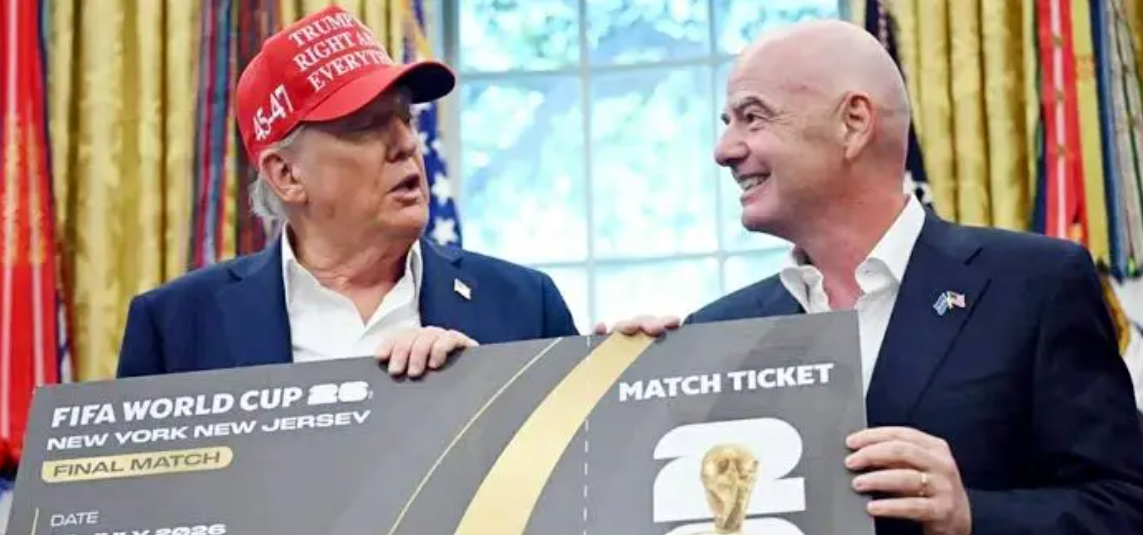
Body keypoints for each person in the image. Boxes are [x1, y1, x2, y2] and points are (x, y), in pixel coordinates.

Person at [603, 19, 1143, 535]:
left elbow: (1122, 507)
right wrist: (624, 398)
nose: (725, 150)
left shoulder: (1034, 286)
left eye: (753, 117)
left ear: (854, 123)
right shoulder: (718, 332)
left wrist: (972, 516)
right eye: (728, 123)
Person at [117, 5, 578, 379]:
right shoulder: (174, 328)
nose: (406, 143)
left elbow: (582, 459)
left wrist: (485, 386)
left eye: (406, 118)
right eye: (366, 126)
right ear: (287, 175)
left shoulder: (525, 305)